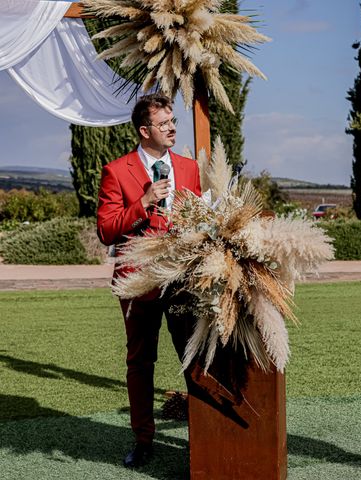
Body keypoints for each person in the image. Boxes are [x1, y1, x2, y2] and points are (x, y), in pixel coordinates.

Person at [97, 93, 201, 468]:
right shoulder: (116, 171)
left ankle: (204, 437)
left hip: (181, 279)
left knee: (193, 357)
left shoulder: (189, 168)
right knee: (140, 362)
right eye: (164, 123)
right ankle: (143, 439)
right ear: (144, 131)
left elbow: (198, 219)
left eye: (173, 121)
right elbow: (107, 231)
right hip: (137, 282)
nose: (172, 128)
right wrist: (142, 203)